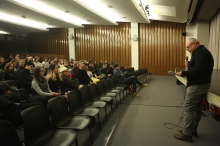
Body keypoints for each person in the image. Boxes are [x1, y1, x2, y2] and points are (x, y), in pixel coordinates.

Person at [174, 38, 214, 142]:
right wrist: (189, 65)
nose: (187, 49)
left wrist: (184, 73)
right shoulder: (199, 52)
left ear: (194, 44)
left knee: (188, 108)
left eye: (188, 47)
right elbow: (198, 66)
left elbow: (200, 70)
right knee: (196, 109)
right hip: (200, 84)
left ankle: (187, 134)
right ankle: (192, 130)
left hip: (198, 85)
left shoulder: (200, 53)